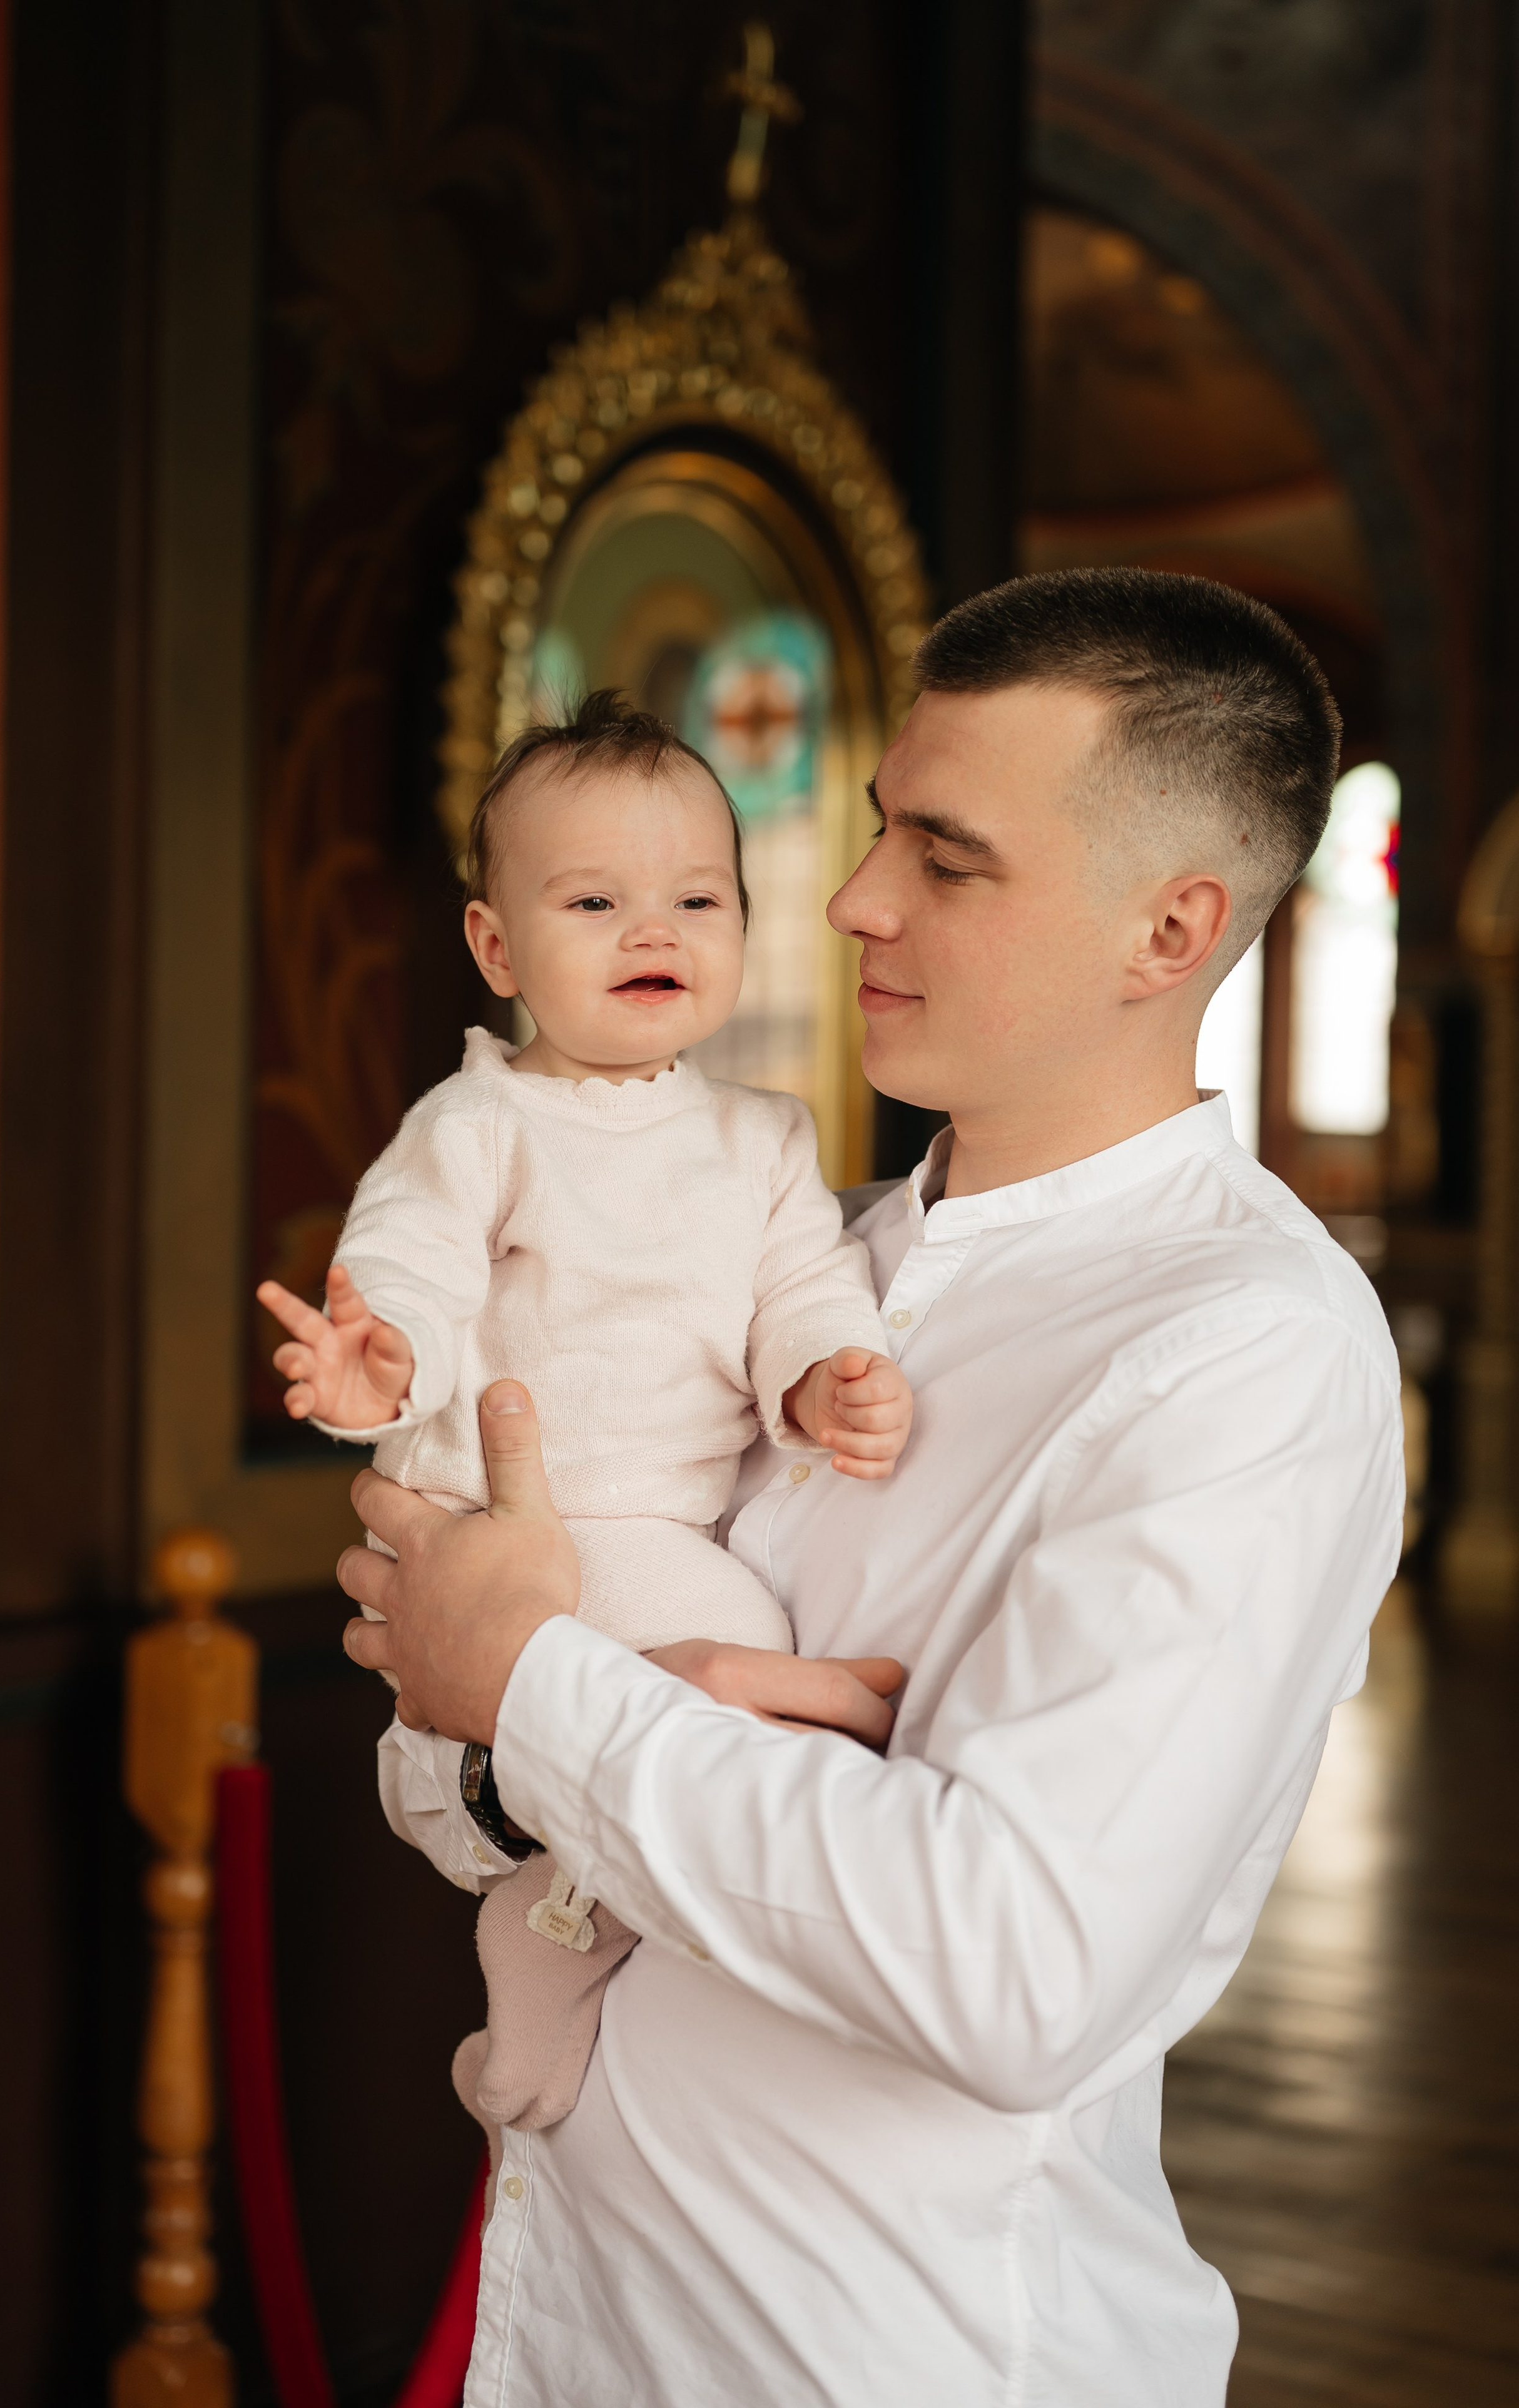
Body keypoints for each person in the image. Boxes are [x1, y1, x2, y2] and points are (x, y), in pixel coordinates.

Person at [345, 569, 1405, 2408]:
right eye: (868, 834)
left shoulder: (1248, 1357)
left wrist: (542, 1685)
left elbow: (1007, 1967)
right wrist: (570, 1724)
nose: (847, 901)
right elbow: (444, 1777)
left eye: (947, 854)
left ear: (1170, 929)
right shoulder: (796, 1262)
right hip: (577, 2315)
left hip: (885, 2351)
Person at [257, 688, 912, 2138]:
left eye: (697, 897)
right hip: (528, 1521)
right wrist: (390, 1360)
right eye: (596, 899)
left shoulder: (764, 1134)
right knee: (740, 1659)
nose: (653, 931)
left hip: (669, 1520)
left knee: (723, 1650)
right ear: (497, 946)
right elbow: (410, 1265)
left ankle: (546, 1933)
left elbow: (800, 1281)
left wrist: (821, 1373)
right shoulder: (478, 1125)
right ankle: (554, 1940)